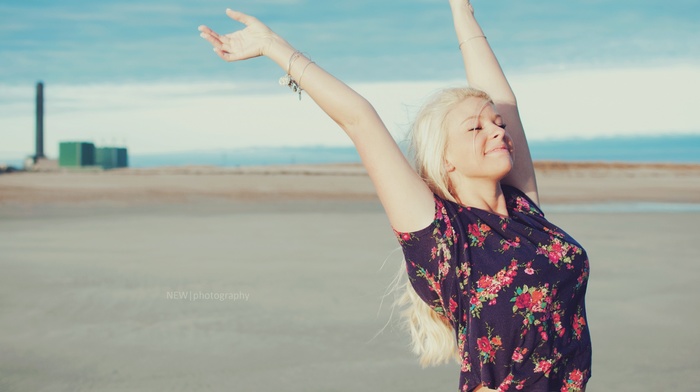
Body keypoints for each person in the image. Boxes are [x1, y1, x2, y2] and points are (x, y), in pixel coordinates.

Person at [198, 1, 592, 391]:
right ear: (445, 158)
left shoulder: (525, 212)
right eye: (475, 129)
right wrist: (273, 46)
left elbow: (503, 100)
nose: (497, 131)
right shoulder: (441, 235)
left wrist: (460, 10)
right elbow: (359, 118)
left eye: (498, 124)